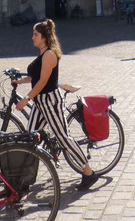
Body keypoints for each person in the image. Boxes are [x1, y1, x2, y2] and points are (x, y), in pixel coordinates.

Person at [12, 19, 98, 191]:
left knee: (63, 138)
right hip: (40, 103)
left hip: (50, 102)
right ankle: (24, 180)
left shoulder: (50, 54)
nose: (32, 37)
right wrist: (20, 81)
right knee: (30, 138)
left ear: (44, 37)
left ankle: (89, 173)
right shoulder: (43, 53)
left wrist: (26, 98)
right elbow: (35, 76)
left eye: (35, 34)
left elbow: (43, 81)